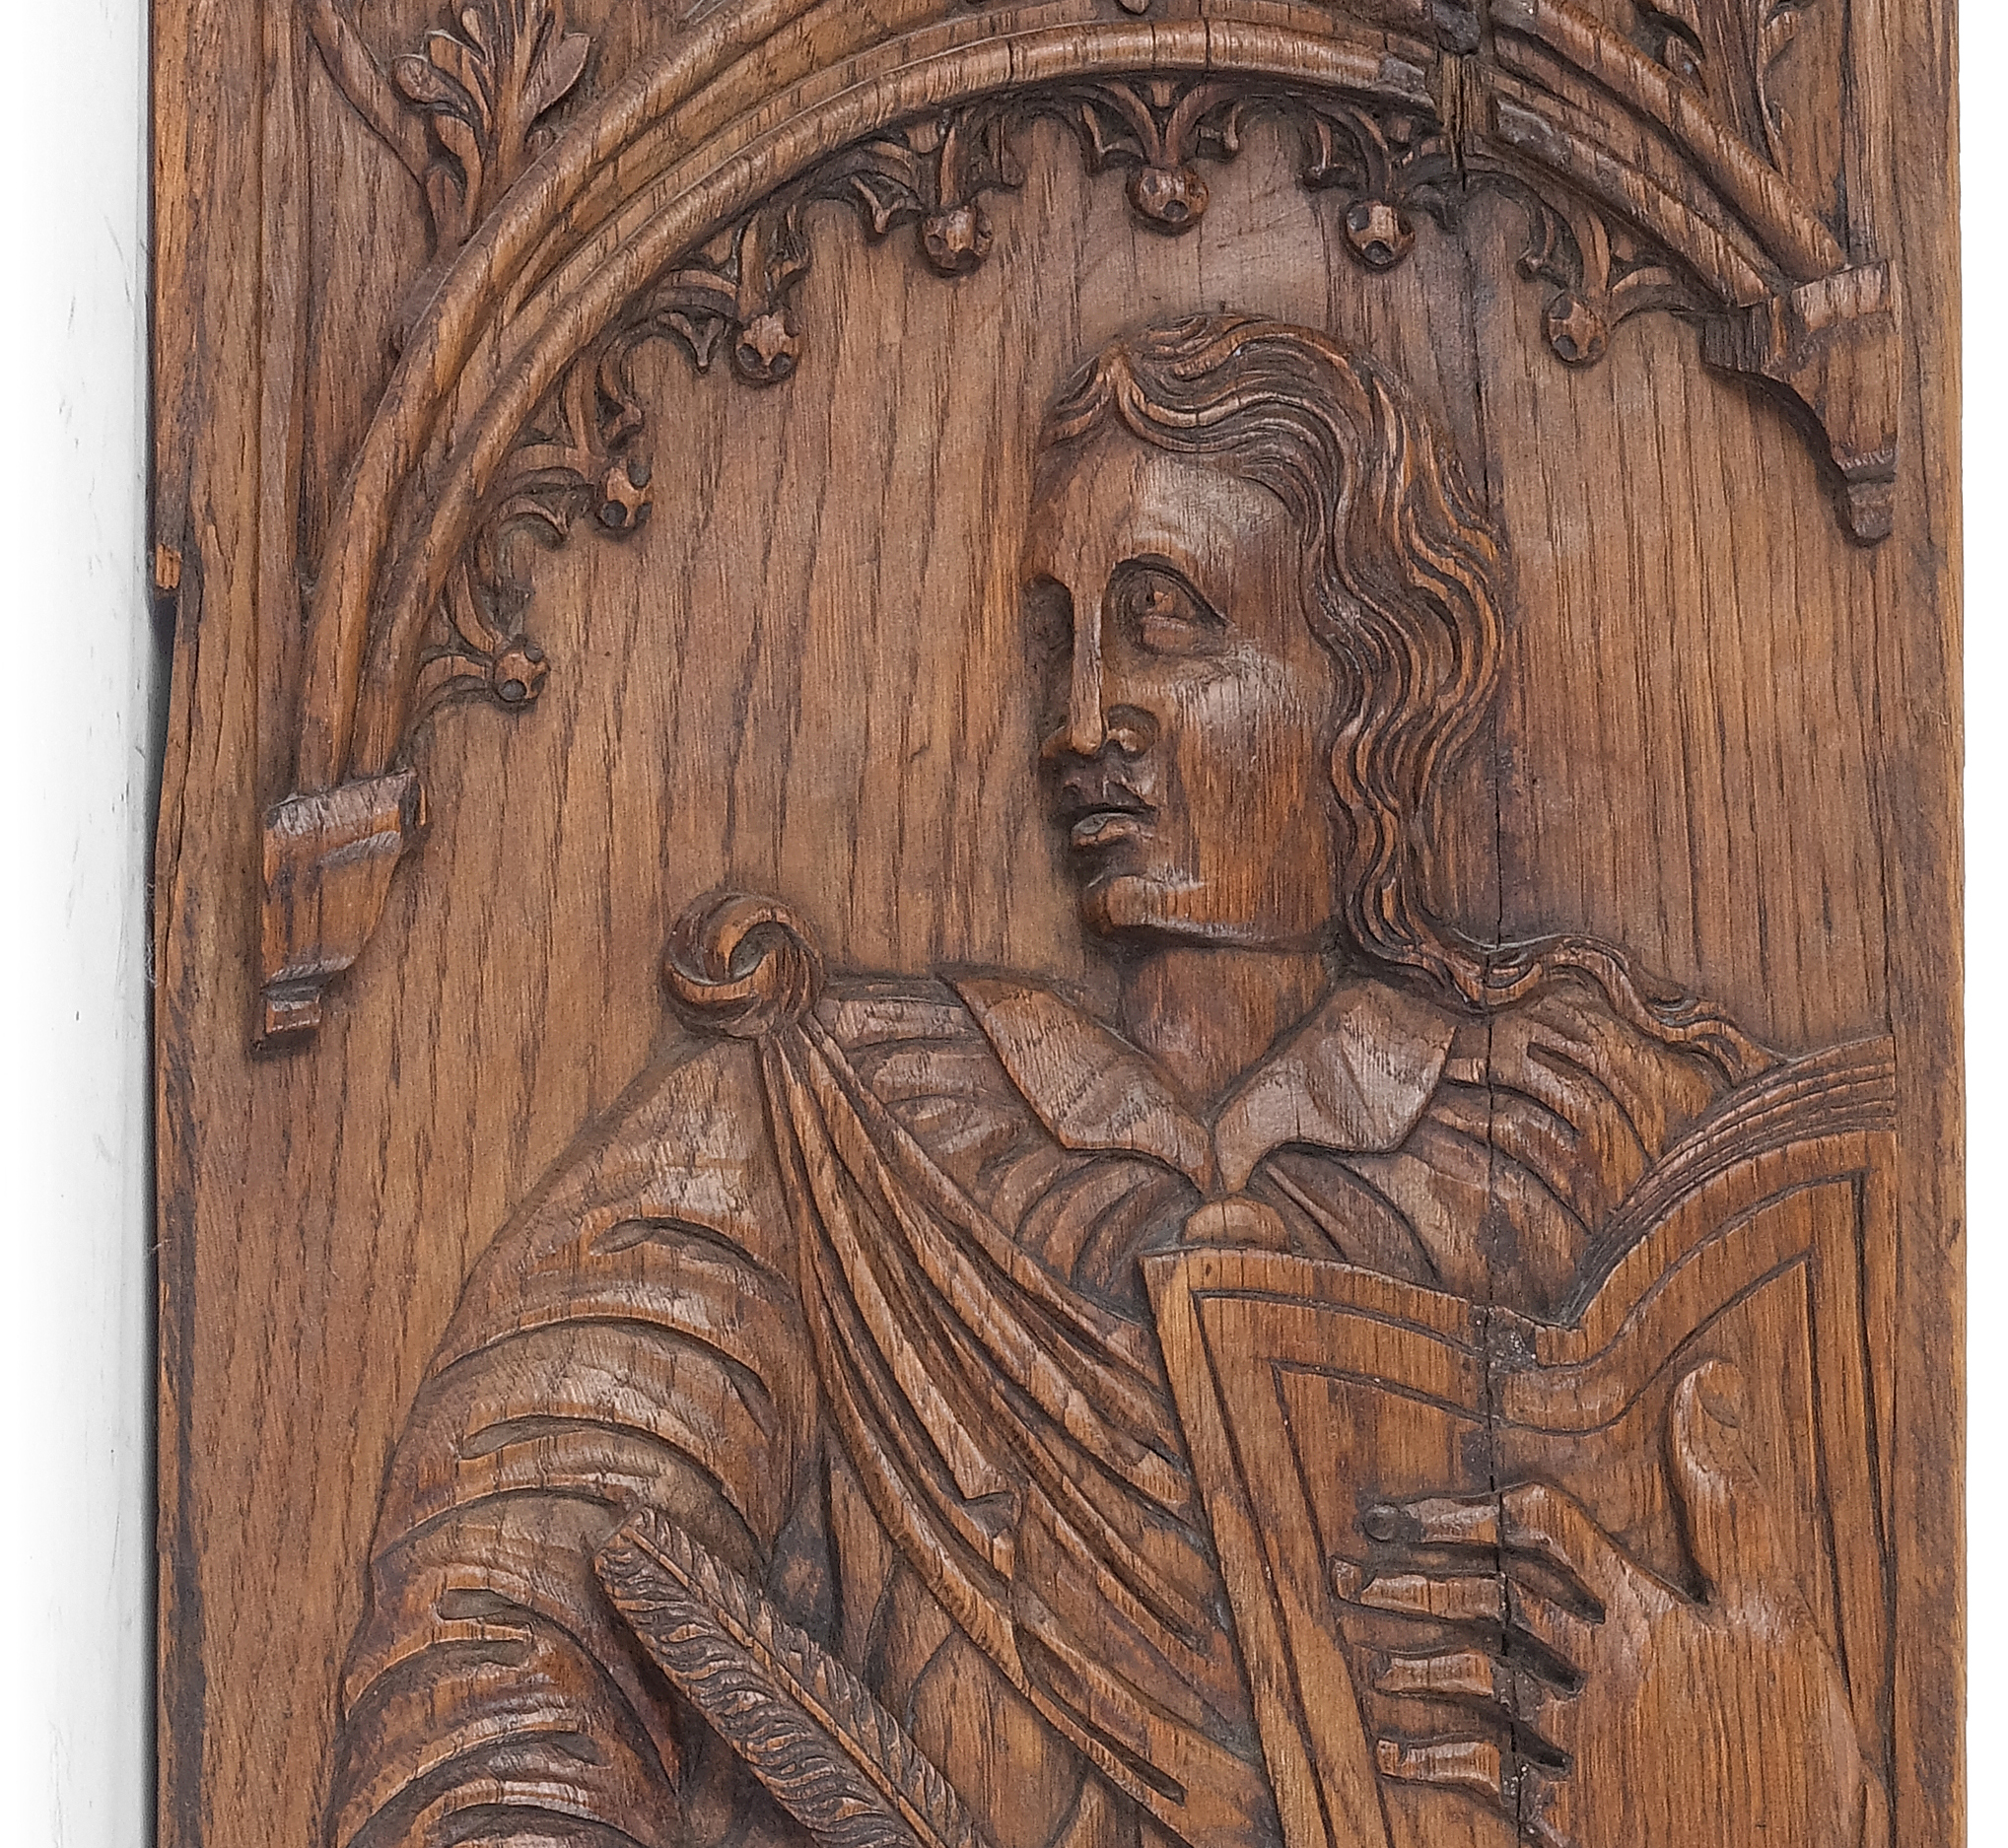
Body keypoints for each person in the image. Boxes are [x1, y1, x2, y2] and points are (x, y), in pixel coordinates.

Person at [324, 315, 1811, 1848]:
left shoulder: (1597, 1132)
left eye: (1168, 624)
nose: (1083, 719)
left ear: (1372, 684)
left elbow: (1848, 1631)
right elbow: (500, 1634)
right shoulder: (816, 1128)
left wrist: (1738, 1745)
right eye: (1059, 638)